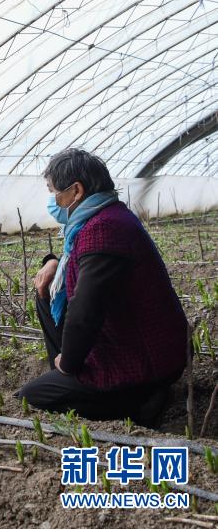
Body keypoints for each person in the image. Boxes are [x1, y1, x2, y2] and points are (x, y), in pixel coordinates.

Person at [16, 149, 188, 427]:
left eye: (54, 192)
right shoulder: (106, 217)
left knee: (29, 399)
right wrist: (53, 261)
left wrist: (68, 364)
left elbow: (86, 310)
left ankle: (135, 402)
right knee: (46, 296)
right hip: (140, 347)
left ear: (76, 191)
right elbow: (82, 264)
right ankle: (74, 377)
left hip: (144, 364)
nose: (52, 201)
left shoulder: (103, 229)